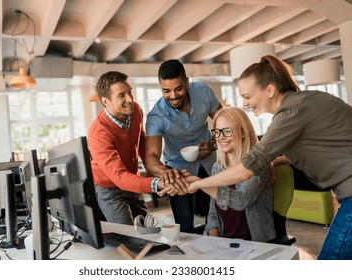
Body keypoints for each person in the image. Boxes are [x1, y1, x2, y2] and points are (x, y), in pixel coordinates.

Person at [168, 55, 352, 260]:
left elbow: (247, 169)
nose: (245, 103)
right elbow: (319, 145)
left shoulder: (290, 112)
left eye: (248, 96)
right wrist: (277, 160)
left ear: (270, 90)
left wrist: (197, 184)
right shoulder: (300, 105)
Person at [145, 59, 222, 233]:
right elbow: (150, 158)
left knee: (218, 217)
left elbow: (225, 124)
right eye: (166, 91)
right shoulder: (156, 116)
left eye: (178, 88)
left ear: (186, 82)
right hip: (178, 172)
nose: (173, 95)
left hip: (209, 163)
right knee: (184, 226)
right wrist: (167, 173)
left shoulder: (203, 91)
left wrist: (213, 144)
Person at [87, 71, 167, 225]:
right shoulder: (98, 133)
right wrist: (155, 184)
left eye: (129, 92)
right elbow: (119, 177)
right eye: (121, 95)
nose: (130, 99)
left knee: (145, 229)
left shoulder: (136, 111)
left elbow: (141, 138)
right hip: (109, 188)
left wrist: (154, 167)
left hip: (131, 179)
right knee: (127, 233)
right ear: (106, 101)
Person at [203, 107, 275, 242]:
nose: (220, 137)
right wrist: (215, 242)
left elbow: (241, 201)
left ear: (243, 132)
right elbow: (213, 213)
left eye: (227, 131)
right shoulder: (217, 168)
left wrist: (198, 184)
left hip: (255, 244)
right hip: (226, 243)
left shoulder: (258, 166)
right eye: (217, 132)